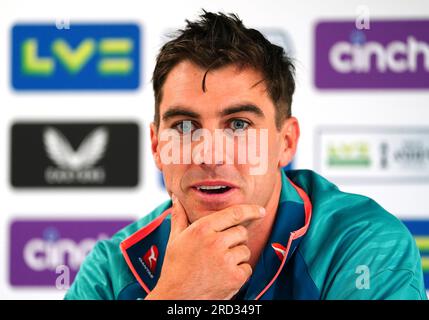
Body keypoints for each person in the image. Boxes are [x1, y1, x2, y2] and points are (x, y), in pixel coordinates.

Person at [65, 11, 427, 300]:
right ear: (157, 146)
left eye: (238, 125)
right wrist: (176, 296)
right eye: (185, 126)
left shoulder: (365, 244)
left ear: (285, 142)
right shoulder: (111, 268)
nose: (209, 154)